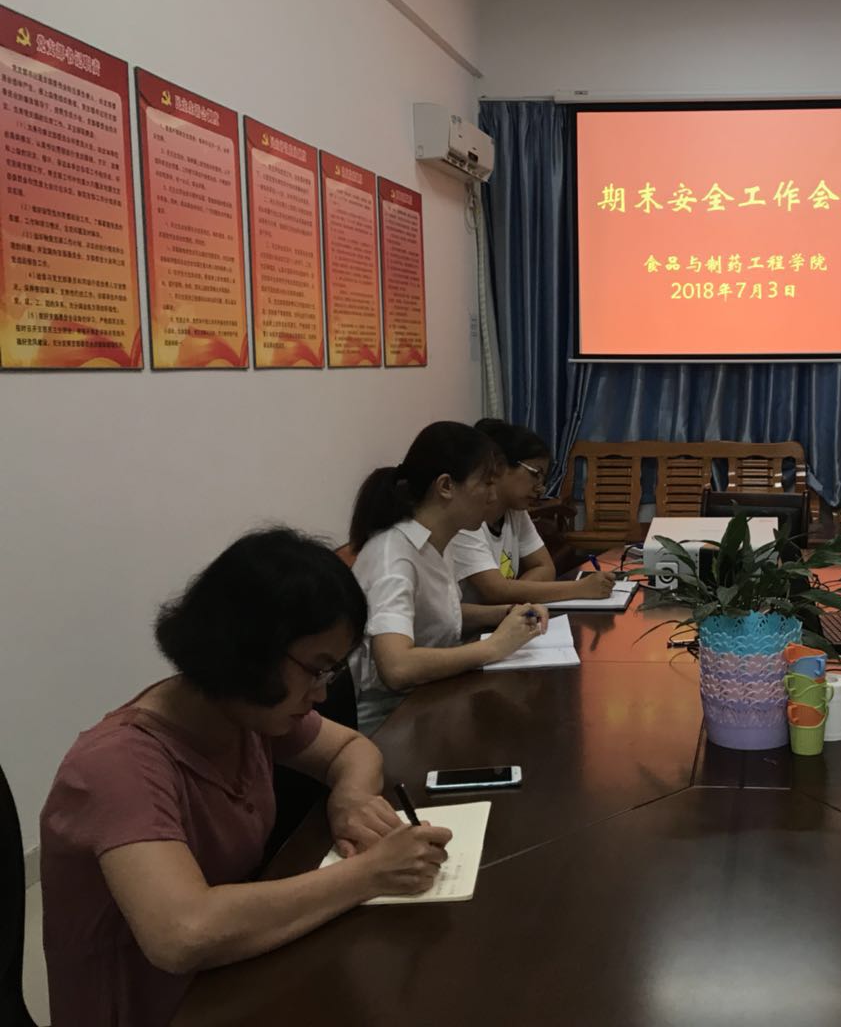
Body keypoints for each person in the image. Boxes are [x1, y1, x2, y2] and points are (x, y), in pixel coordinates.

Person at [39, 528, 454, 1027]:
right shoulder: (116, 766)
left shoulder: (242, 714)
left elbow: (351, 749)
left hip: (235, 976)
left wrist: (349, 798)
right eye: (316, 670)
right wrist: (370, 874)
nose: (321, 695)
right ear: (247, 650)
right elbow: (182, 933)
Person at [348, 421, 549, 734]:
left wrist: (507, 613)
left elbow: (437, 614)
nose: (493, 496)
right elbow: (397, 667)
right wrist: (494, 646)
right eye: (487, 483)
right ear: (445, 486)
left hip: (433, 702)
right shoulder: (393, 556)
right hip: (389, 724)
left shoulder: (438, 542)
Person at [450, 419, 616, 604]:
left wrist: (514, 594)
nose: (541, 488)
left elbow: (545, 567)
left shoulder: (515, 511)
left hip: (502, 616)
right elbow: (495, 590)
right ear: (499, 467)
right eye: (535, 474)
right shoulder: (466, 519)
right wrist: (580, 588)